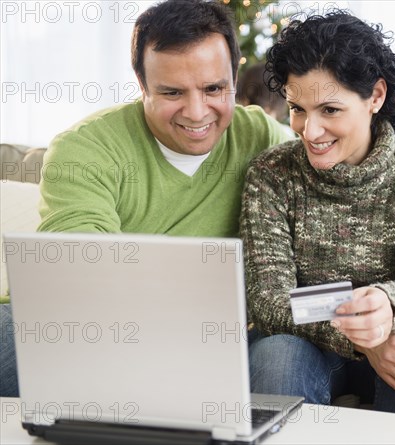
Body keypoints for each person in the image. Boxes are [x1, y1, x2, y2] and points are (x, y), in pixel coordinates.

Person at [0, 0, 290, 397]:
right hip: (96, 327)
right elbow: (82, 275)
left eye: (213, 89)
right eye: (172, 92)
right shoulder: (84, 148)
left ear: (233, 80)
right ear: (141, 86)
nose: (196, 111)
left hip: (214, 337)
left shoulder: (261, 136)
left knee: (279, 355)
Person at [240, 11, 395, 418]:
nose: (309, 131)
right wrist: (363, 337)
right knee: (275, 357)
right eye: (297, 109)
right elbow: (268, 301)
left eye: (330, 110)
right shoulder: (271, 174)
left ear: (375, 96)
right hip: (304, 345)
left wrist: (386, 306)